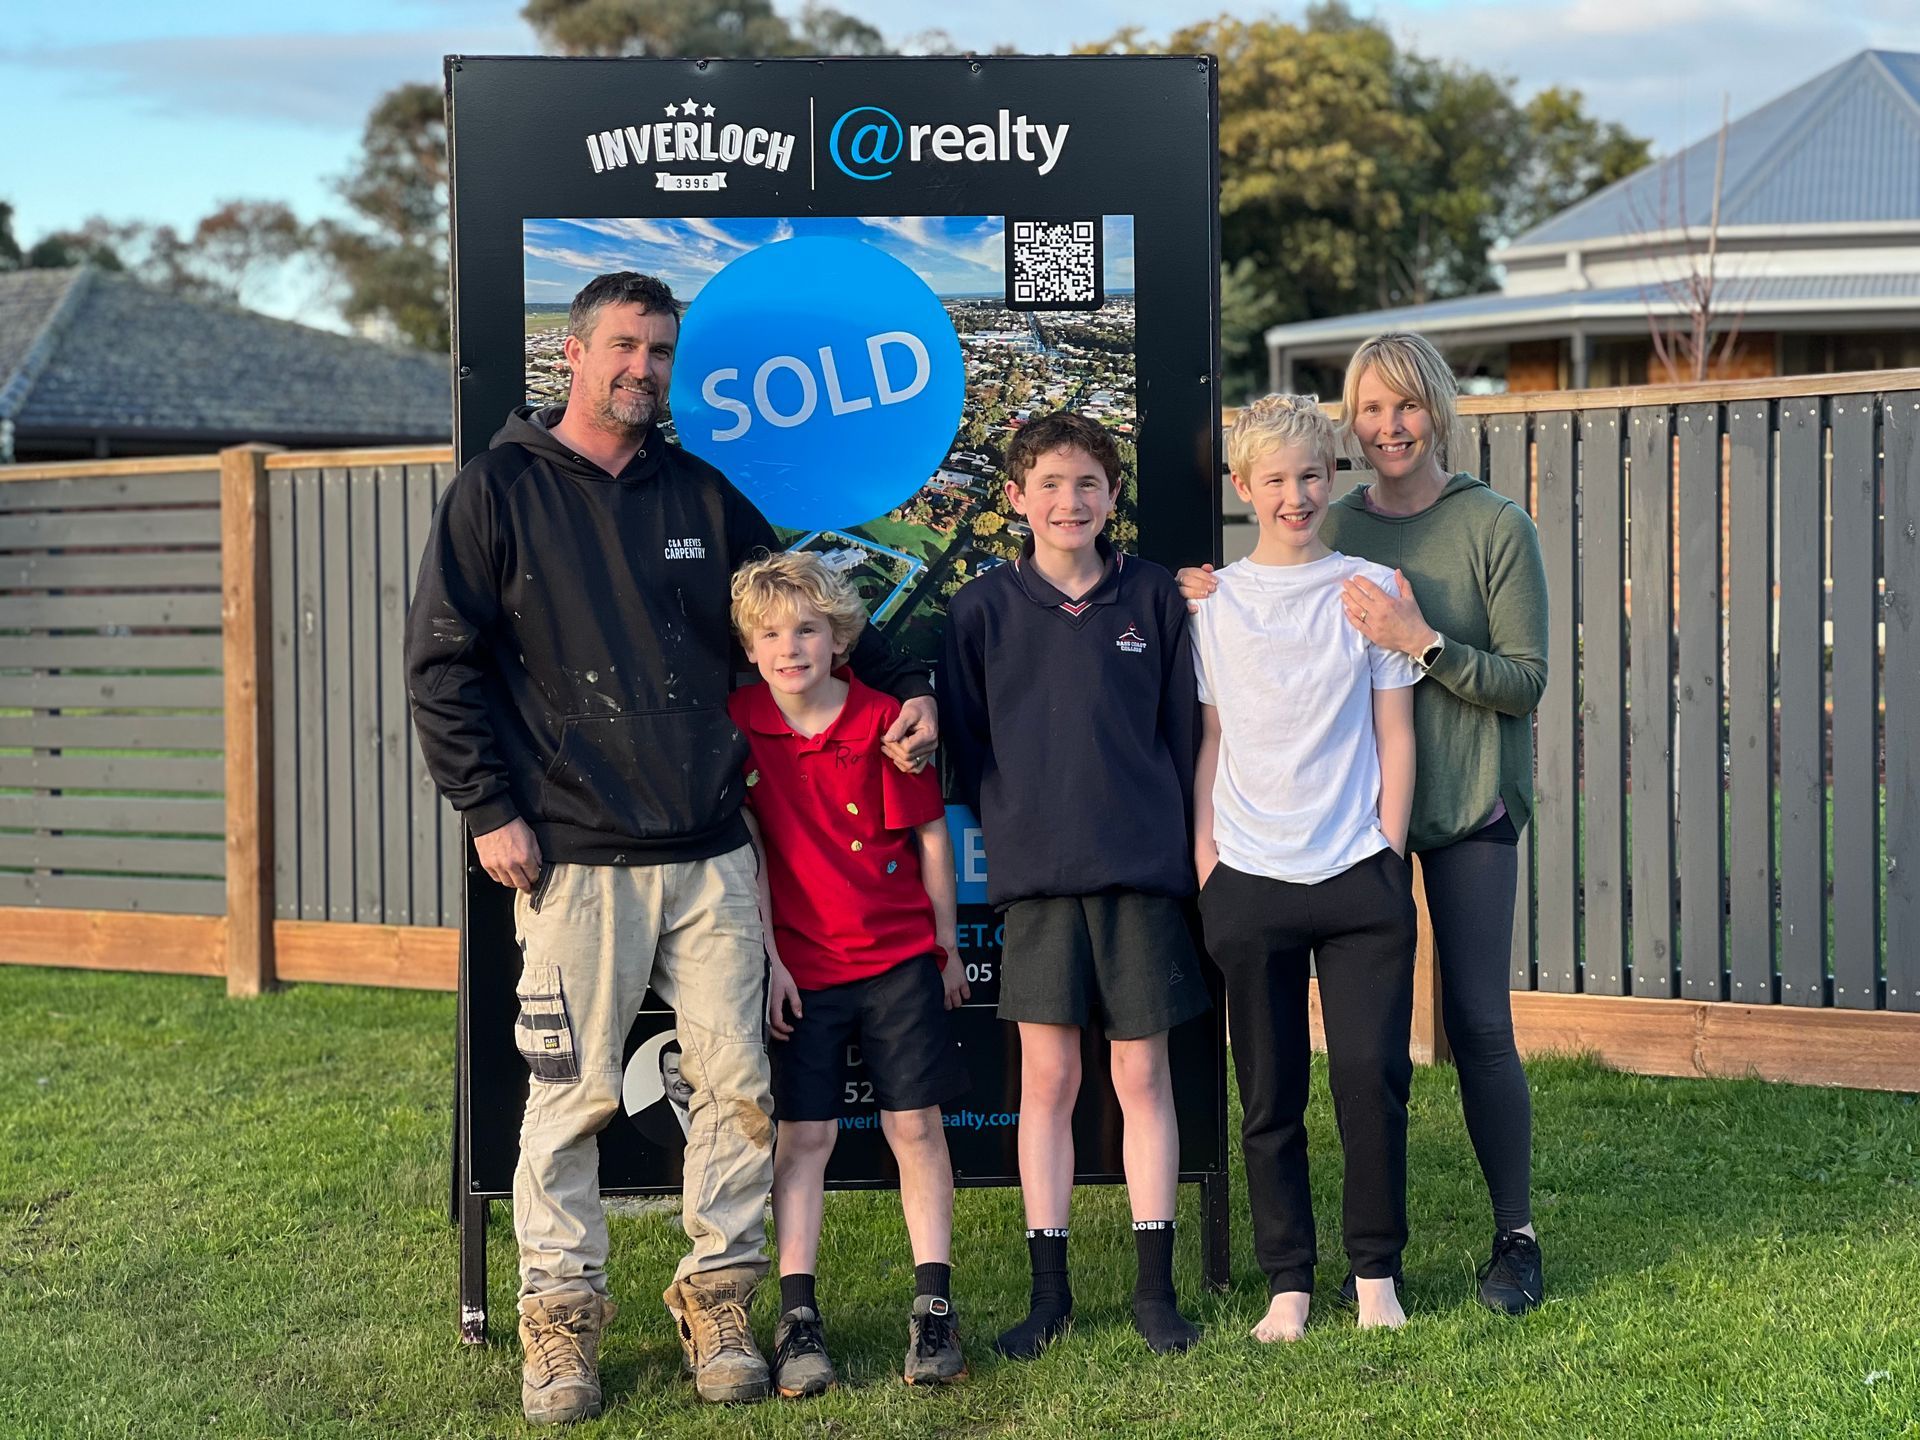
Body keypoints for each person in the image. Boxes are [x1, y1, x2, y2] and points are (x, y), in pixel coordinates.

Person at [404, 271, 938, 1424]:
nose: (642, 369)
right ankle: (560, 1317)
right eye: (624, 348)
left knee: (738, 1092)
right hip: (571, 858)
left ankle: (721, 1299)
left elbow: (804, 613)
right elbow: (440, 669)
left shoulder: (700, 495)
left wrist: (910, 692)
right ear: (573, 354)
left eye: (659, 351)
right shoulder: (496, 493)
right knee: (570, 1097)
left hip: (710, 853)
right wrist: (488, 808)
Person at [1180, 332, 1549, 1315]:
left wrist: (1421, 641)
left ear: (1437, 409)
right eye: (1372, 410)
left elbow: (1528, 681)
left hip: (1459, 802)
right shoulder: (1325, 517)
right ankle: (1302, 1273)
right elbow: (1265, 606)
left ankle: (1513, 1235)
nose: (1390, 427)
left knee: (1471, 1024)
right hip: (1317, 828)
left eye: (1407, 407)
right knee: (1290, 1079)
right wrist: (1202, 592)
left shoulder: (1493, 526)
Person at [941, 410, 1211, 1359]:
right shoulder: (979, 611)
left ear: (1112, 496)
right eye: (1049, 485)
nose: (1070, 501)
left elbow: (1184, 734)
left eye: (1088, 484)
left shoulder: (1155, 600)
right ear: (1015, 499)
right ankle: (1047, 1292)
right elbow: (969, 749)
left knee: (1142, 1075)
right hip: (1038, 884)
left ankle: (1153, 1289)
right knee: (1048, 1081)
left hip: (1140, 876)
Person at [1188, 394, 1420, 1342]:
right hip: (1247, 872)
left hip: (1359, 874)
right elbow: (1208, 738)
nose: (1297, 494)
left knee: (1370, 1078)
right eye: (1275, 480)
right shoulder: (1212, 601)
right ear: (1244, 488)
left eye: (1312, 475)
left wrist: (1390, 850)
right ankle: (1288, 1279)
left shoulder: (1371, 587)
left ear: (1334, 477)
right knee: (1269, 1091)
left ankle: (1376, 1274)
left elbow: (1395, 733)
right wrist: (1208, 861)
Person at [727, 550, 972, 1394]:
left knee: (915, 1130)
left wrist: (944, 945)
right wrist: (772, 962)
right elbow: (748, 856)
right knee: (805, 1140)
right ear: (750, 649)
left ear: (839, 639)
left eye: (807, 630)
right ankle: (798, 1320)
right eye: (771, 634)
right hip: (804, 968)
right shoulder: (740, 725)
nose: (790, 647)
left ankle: (933, 1311)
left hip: (898, 960)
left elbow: (932, 838)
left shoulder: (884, 724)